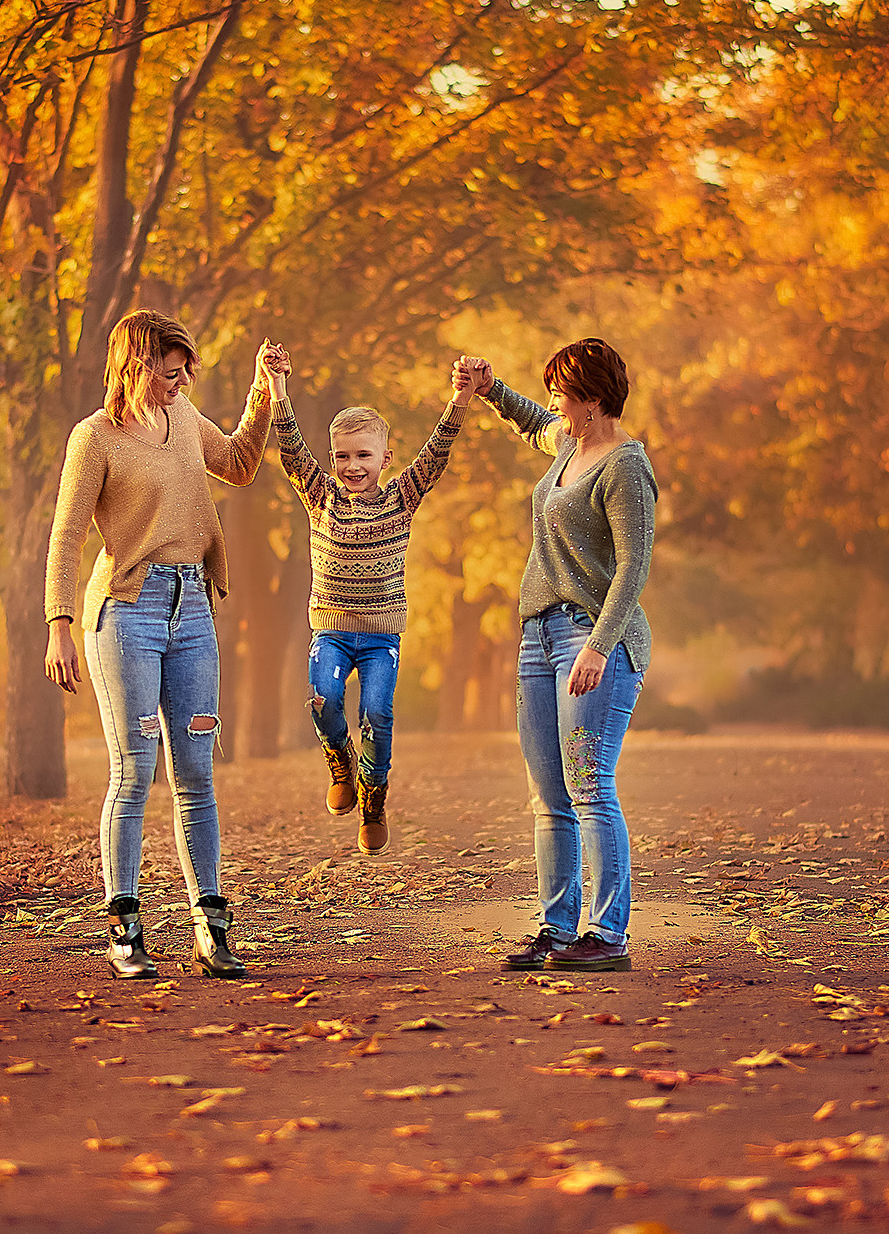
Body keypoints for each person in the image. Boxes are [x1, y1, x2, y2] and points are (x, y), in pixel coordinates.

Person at [44, 311, 279, 980]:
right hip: (126, 615)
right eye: (169, 373)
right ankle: (125, 929)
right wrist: (58, 622)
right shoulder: (95, 437)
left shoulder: (183, 420)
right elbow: (65, 537)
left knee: (197, 774)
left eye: (185, 374)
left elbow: (237, 463)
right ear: (136, 365)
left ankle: (211, 928)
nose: (179, 383)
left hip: (192, 615)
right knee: (134, 771)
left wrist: (264, 389)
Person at [463, 342, 657, 972]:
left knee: (589, 785)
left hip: (591, 639)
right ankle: (557, 926)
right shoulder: (570, 446)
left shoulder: (625, 465)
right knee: (549, 793)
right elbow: (530, 421)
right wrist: (492, 389)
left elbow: (633, 566)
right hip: (538, 638)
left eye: (561, 396)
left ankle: (606, 933)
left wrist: (600, 645)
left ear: (592, 400)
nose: (552, 407)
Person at [271, 356, 477, 853]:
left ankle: (374, 797)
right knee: (322, 699)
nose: (352, 467)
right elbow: (292, 450)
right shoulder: (320, 496)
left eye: (364, 455)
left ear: (386, 458)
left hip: (381, 635)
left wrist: (462, 398)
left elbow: (437, 451)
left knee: (378, 714)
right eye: (342, 456)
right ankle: (338, 758)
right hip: (332, 631)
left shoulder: (403, 498)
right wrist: (277, 387)